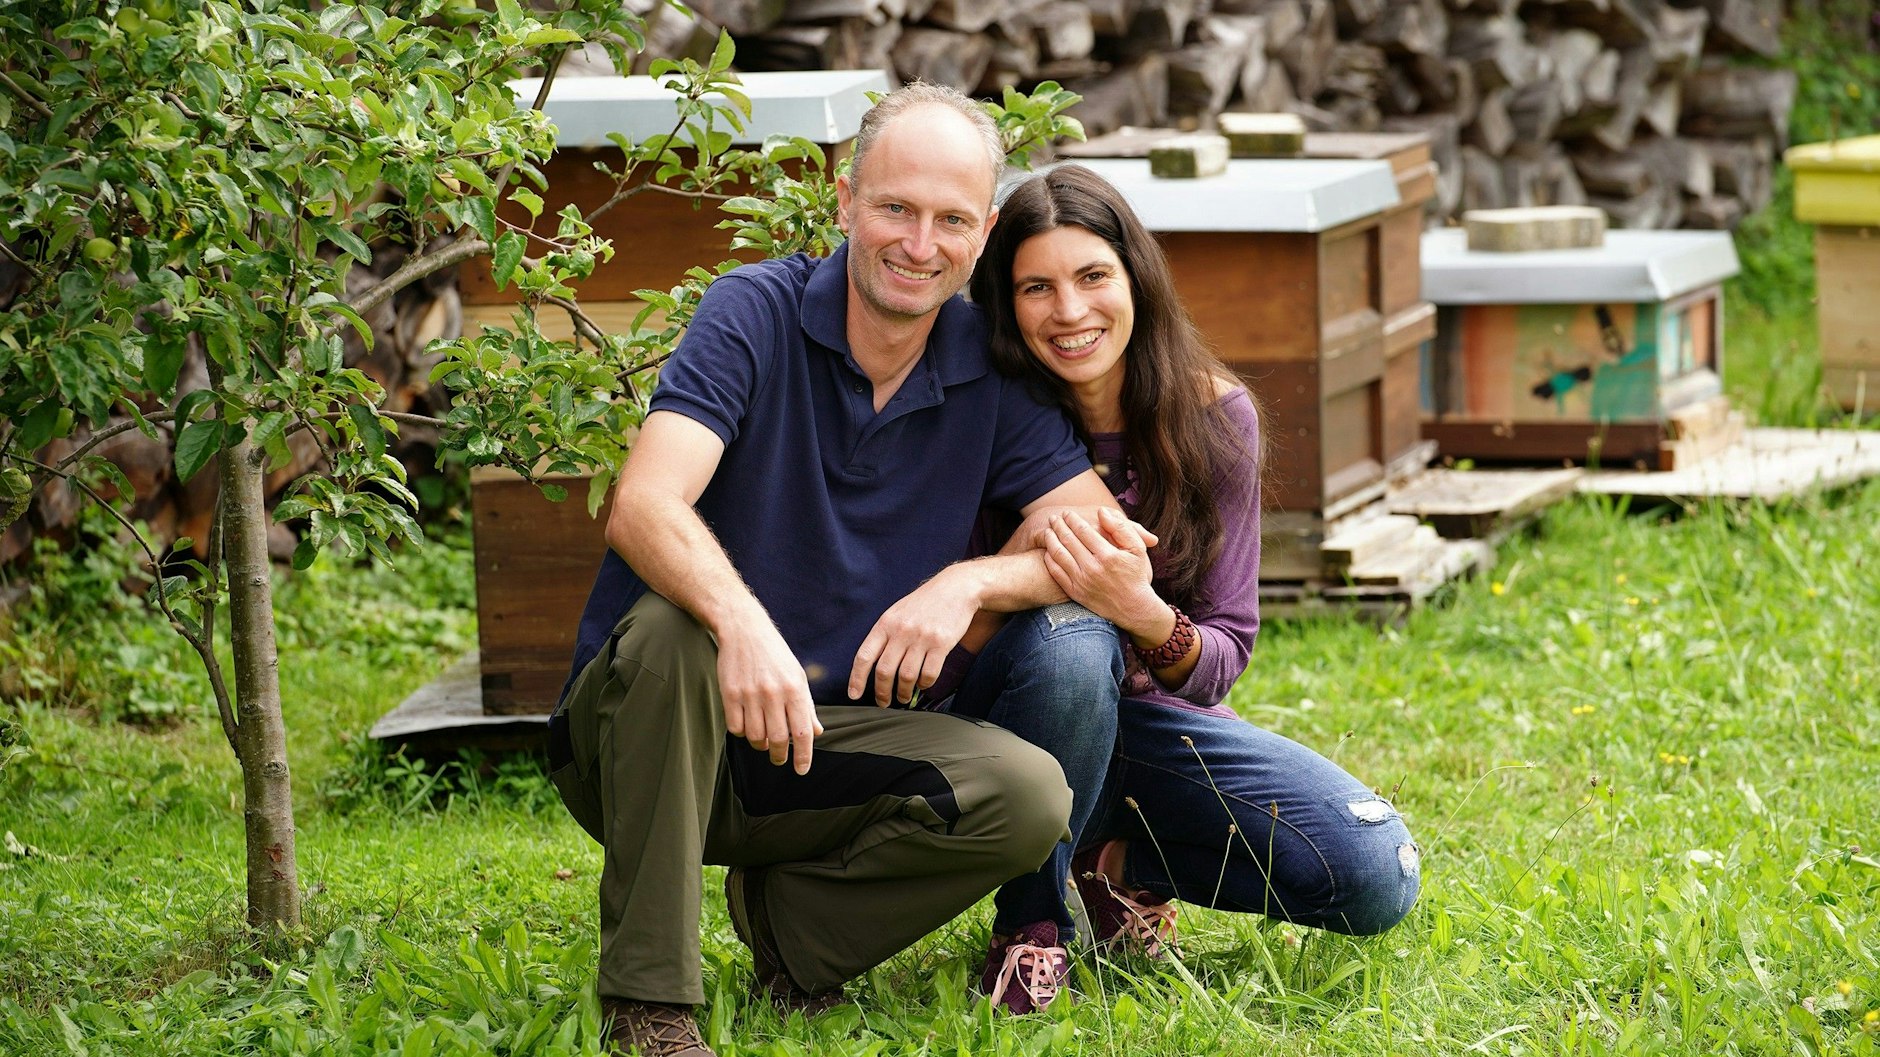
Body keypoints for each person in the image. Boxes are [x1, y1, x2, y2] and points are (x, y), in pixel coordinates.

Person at [548, 88, 1136, 1057]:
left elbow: (1103, 543)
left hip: (819, 744)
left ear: (983, 232)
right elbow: (642, 504)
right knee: (669, 629)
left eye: (951, 219)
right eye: (895, 208)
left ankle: (794, 936)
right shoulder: (752, 312)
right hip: (641, 736)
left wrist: (969, 584)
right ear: (844, 200)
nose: (919, 242)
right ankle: (649, 1004)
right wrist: (739, 626)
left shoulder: (985, 368)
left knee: (1027, 795)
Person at [957, 164, 1421, 1012]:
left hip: (1153, 728)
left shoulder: (1215, 420)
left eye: (1093, 276)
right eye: (1036, 286)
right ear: (1005, 300)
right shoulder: (983, 414)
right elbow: (956, 642)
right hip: (1008, 715)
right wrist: (1041, 579)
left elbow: (1221, 659)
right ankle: (1030, 927)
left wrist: (1138, 606)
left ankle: (1116, 864)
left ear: (1137, 275)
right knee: (1070, 640)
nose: (1069, 311)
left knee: (1375, 871)